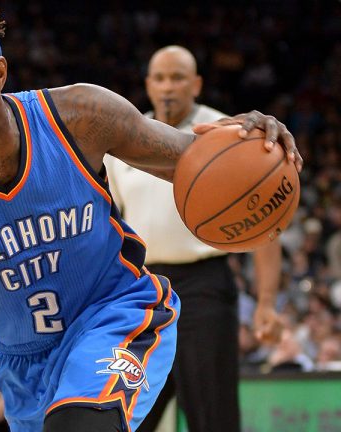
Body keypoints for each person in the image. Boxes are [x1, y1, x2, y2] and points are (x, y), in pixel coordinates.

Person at [0, 1, 302, 431]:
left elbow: (197, 162)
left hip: (114, 315)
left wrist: (248, 142)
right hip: (23, 362)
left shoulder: (78, 116)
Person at [103, 45, 283, 432]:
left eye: (178, 77)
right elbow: (111, 227)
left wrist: (266, 302)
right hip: (144, 291)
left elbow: (266, 225)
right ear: (149, 85)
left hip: (205, 288)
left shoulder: (231, 132)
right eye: (161, 78)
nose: (169, 87)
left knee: (212, 416)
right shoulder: (126, 140)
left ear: (196, 84)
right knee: (126, 414)